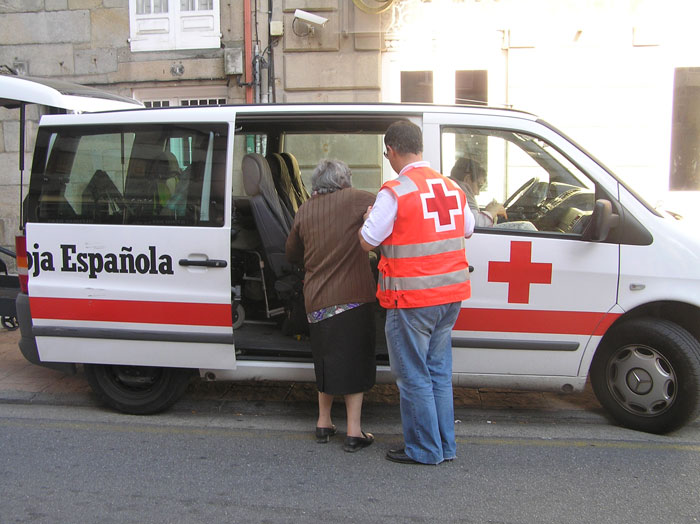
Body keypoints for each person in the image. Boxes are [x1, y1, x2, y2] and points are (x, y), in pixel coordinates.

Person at [359, 121, 475, 465]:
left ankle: (424, 449)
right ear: (419, 147)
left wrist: (369, 217)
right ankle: (444, 446)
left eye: (386, 154)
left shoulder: (395, 192)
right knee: (438, 372)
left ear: (392, 150)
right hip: (450, 297)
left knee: (413, 376)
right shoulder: (451, 187)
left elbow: (367, 240)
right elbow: (468, 229)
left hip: (411, 300)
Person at [285, 159, 377, 453]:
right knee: (354, 362)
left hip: (316, 300)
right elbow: (386, 210)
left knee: (324, 359)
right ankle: (353, 431)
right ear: (343, 182)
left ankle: (323, 422)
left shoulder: (305, 209)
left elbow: (291, 253)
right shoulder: (356, 199)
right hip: (352, 298)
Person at [449, 157, 506, 227]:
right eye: (479, 185)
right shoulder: (460, 191)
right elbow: (475, 224)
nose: (477, 193)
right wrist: (494, 211)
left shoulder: (451, 189)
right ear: (467, 179)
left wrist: (487, 212)